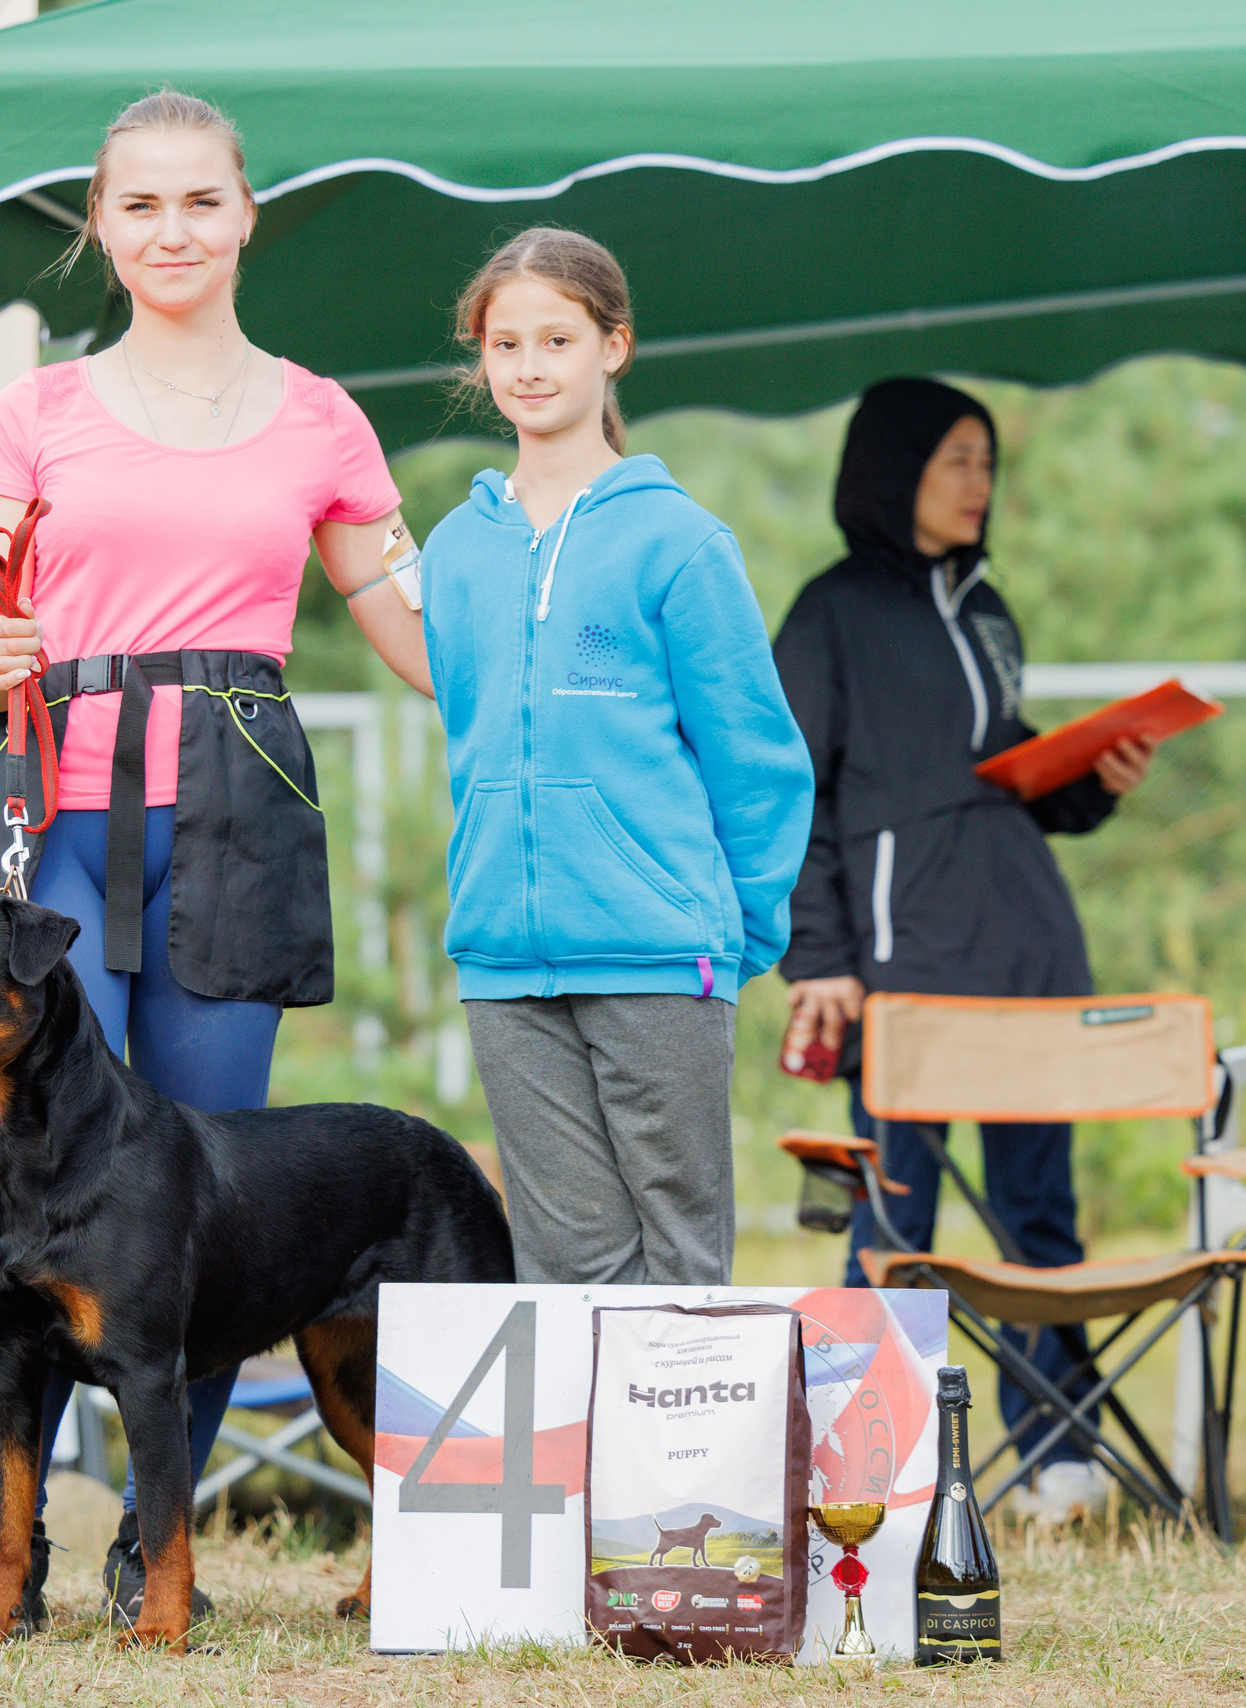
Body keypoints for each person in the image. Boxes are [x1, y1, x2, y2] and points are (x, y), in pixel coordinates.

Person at [0, 90, 432, 1627]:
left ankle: (153, 1550)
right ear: (100, 223)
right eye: (141, 206)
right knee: (18, 1185)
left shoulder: (321, 415)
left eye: (200, 202)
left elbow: (416, 630)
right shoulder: (35, 412)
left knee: (203, 1202)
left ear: (246, 215)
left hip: (233, 809)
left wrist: (560, 669)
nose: (172, 230)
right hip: (56, 803)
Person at [772, 378, 1154, 1524]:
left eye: (987, 463)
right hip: (901, 968)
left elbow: (1002, 776)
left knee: (1042, 1216)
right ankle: (858, 1468)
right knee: (894, 1226)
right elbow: (795, 794)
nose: (980, 484)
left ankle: (1058, 1457)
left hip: (1026, 951)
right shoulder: (827, 614)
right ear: (894, 471)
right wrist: (819, 955)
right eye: (957, 462)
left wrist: (1089, 780)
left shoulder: (990, 608)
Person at [421, 228, 813, 1287]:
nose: (531, 366)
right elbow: (468, 733)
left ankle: (691, 1462)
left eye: (558, 338)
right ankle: (591, 1465)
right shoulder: (455, 551)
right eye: (506, 344)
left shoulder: (679, 543)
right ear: (482, 357)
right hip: (504, 963)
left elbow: (756, 760)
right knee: (563, 1262)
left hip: (660, 954)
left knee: (679, 1257)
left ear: (614, 348)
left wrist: (732, 935)